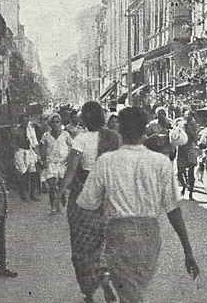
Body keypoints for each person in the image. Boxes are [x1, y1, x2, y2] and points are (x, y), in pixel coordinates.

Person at [76, 107, 199, 302]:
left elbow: (87, 203)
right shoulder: (161, 162)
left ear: (120, 131)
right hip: (150, 235)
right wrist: (188, 251)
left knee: (130, 294)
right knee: (135, 291)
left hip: (118, 234)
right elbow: (173, 209)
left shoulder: (106, 162)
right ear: (145, 130)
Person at [62, 101, 121, 303]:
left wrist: (60, 191)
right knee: (105, 238)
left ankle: (88, 291)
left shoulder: (82, 139)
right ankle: (105, 275)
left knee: (82, 242)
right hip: (109, 193)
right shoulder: (114, 138)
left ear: (84, 118)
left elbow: (71, 170)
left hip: (84, 191)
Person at [39, 112, 72, 214]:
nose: (56, 124)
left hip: (63, 163)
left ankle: (61, 197)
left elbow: (72, 147)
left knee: (61, 186)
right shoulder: (46, 136)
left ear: (60, 122)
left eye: (57, 122)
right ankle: (54, 207)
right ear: (50, 124)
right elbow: (42, 148)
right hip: (51, 163)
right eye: (53, 122)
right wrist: (42, 160)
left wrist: (69, 158)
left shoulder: (66, 134)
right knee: (52, 186)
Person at [13, 114, 41, 202]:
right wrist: (16, 149)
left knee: (33, 173)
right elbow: (13, 142)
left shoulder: (31, 130)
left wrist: (37, 153)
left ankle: (33, 194)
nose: (26, 123)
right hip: (20, 152)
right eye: (24, 121)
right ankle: (23, 194)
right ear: (20, 122)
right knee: (23, 174)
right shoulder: (16, 131)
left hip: (29, 151)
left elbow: (35, 142)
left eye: (27, 121)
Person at [176, 108, 199, 200]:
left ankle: (190, 191)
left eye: (189, 115)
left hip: (190, 149)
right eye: (186, 115)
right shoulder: (179, 123)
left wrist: (189, 130)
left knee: (191, 172)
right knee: (180, 171)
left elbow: (195, 138)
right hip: (181, 149)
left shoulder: (194, 125)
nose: (187, 117)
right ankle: (184, 186)